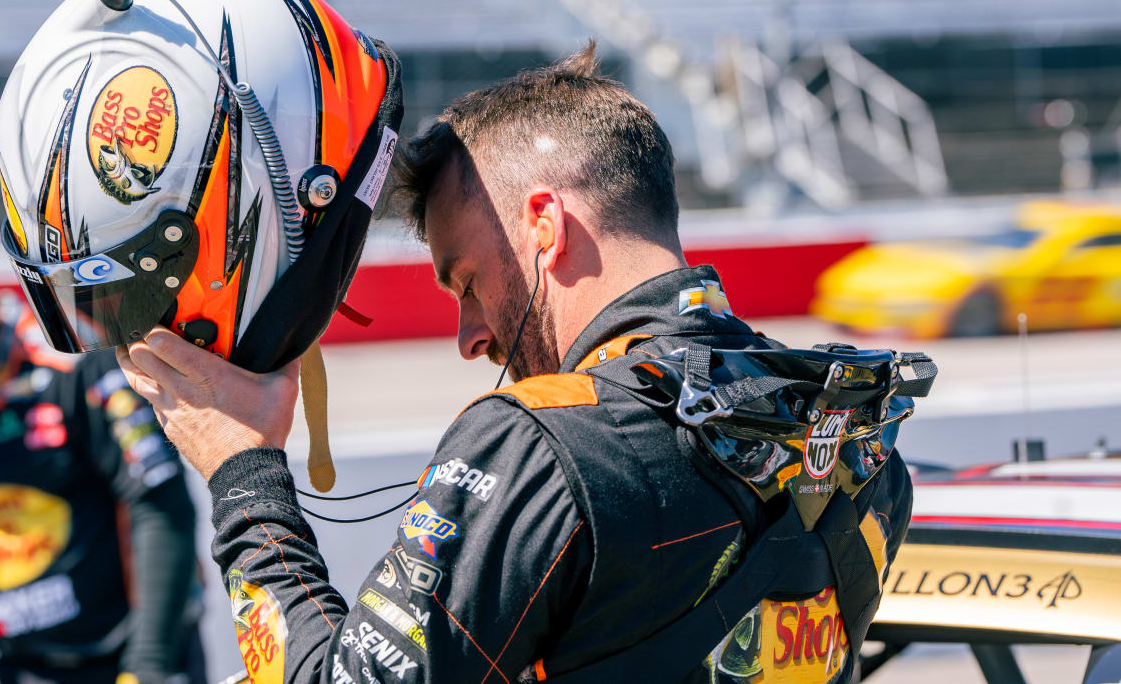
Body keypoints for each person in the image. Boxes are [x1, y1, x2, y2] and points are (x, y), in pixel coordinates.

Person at [118, 44, 926, 683]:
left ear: (543, 225)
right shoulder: (852, 429)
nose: (470, 337)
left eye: (467, 282)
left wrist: (244, 476)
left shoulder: (541, 445)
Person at [0, 239, 204, 684]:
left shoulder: (73, 361)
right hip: (24, 668)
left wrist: (149, 665)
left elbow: (161, 504)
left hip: (131, 659)